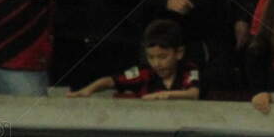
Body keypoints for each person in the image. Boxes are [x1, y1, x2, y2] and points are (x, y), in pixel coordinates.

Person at [68, 20, 201, 101]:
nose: (156, 63)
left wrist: (164, 96)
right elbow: (111, 81)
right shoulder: (142, 72)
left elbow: (193, 93)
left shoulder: (188, 69)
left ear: (179, 53)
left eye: (162, 57)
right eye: (151, 57)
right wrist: (88, 90)